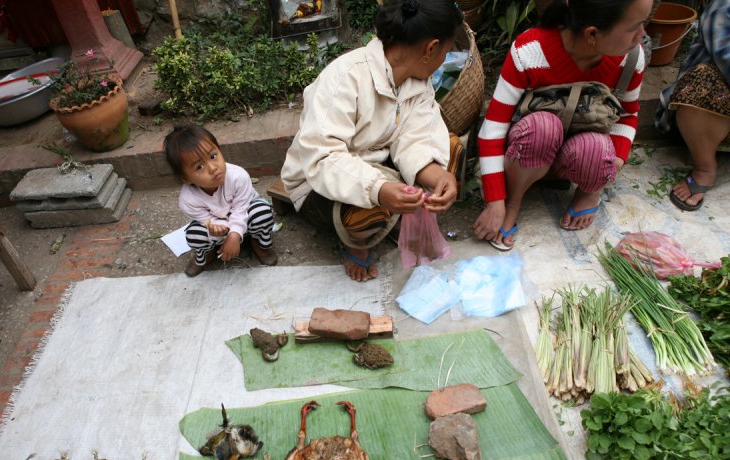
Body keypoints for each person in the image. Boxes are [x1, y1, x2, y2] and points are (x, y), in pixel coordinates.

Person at [280, 0, 463, 282]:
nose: (444, 58)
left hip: (378, 166)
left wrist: (438, 177)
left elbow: (417, 138)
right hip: (317, 184)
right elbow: (323, 158)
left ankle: (392, 215)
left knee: (450, 148)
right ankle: (357, 243)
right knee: (372, 204)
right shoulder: (345, 77)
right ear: (431, 47)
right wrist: (379, 188)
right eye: (446, 52)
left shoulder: (418, 83)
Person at [474, 0, 650, 251]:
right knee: (543, 127)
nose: (642, 35)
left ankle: (587, 192)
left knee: (598, 149)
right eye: (634, 26)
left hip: (581, 150)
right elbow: (492, 129)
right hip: (531, 150)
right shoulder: (530, 50)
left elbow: (628, 116)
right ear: (592, 34)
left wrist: (612, 165)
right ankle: (514, 201)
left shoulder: (632, 59)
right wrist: (495, 201)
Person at [164, 125, 277, 277]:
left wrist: (234, 235)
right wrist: (218, 230)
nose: (212, 168)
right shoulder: (188, 200)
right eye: (199, 167)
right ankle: (207, 254)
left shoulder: (238, 176)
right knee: (193, 234)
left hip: (246, 220)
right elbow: (207, 221)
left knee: (262, 212)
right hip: (218, 232)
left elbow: (241, 210)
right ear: (186, 179)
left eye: (213, 156)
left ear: (219, 150)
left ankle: (259, 244)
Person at [655, 0, 730, 211]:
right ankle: (704, 168)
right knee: (703, 79)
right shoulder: (724, 7)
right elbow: (726, 58)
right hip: (710, 115)